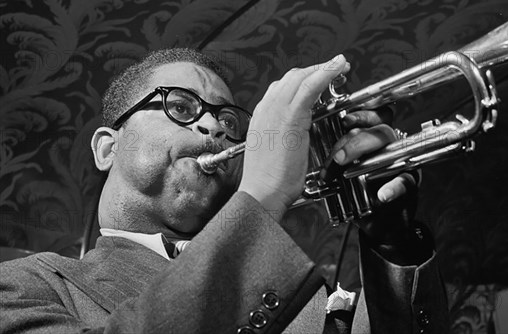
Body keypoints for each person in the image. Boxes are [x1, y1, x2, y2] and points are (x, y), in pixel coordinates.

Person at [0, 48, 448, 333]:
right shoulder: (25, 287)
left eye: (228, 121)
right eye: (180, 106)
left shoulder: (305, 296)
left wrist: (392, 240)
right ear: (106, 148)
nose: (213, 125)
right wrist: (263, 197)